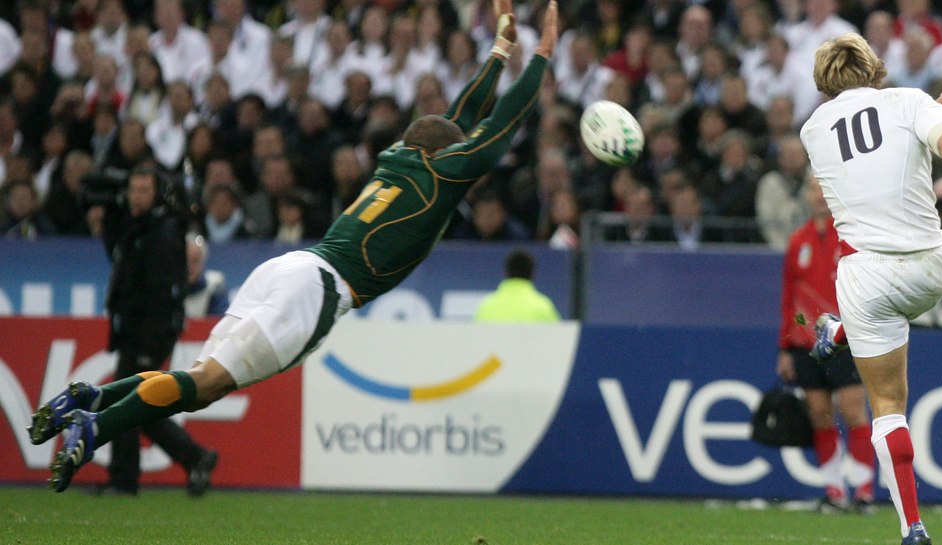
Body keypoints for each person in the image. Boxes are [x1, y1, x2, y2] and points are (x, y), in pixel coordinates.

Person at [30, 0, 559, 494]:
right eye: (458, 149)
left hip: (290, 267)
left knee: (203, 383)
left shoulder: (401, 157)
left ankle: (93, 398)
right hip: (319, 289)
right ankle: (95, 427)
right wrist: (539, 57)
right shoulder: (441, 178)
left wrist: (498, 51)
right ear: (447, 155)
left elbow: (458, 120)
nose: (465, 149)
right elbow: (498, 125)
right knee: (208, 380)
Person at [800, 33, 942, 545]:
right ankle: (844, 330)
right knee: (879, 307)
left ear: (823, 83)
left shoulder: (813, 128)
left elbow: (866, 141)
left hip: (866, 280)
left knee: (886, 406)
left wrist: (921, 109)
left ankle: (912, 526)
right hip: (931, 269)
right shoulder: (908, 102)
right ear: (876, 70)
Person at [59, 168, 217, 496]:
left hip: (149, 330)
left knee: (129, 404)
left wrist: (153, 340)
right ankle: (194, 457)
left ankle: (125, 480)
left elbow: (164, 291)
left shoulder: (162, 231)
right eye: (133, 189)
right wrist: (116, 189)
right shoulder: (136, 225)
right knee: (140, 406)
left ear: (157, 194)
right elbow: (91, 193)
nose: (136, 196)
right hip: (133, 328)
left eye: (144, 190)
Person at [775, 175, 875, 514]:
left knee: (852, 409)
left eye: (823, 189)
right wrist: (785, 348)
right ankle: (834, 491)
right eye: (812, 189)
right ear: (805, 195)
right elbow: (789, 298)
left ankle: (863, 490)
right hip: (805, 343)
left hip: (844, 339)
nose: (818, 196)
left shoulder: (849, 236)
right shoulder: (797, 239)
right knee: (819, 414)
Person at [474, 249, 560, 323]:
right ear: (533, 274)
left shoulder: (486, 307)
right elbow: (558, 339)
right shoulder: (543, 307)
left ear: (506, 272)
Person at [184, 233, 230, 318]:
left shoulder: (215, 286)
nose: (189, 266)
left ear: (202, 262)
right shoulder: (167, 289)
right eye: (185, 260)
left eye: (195, 261)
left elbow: (218, 323)